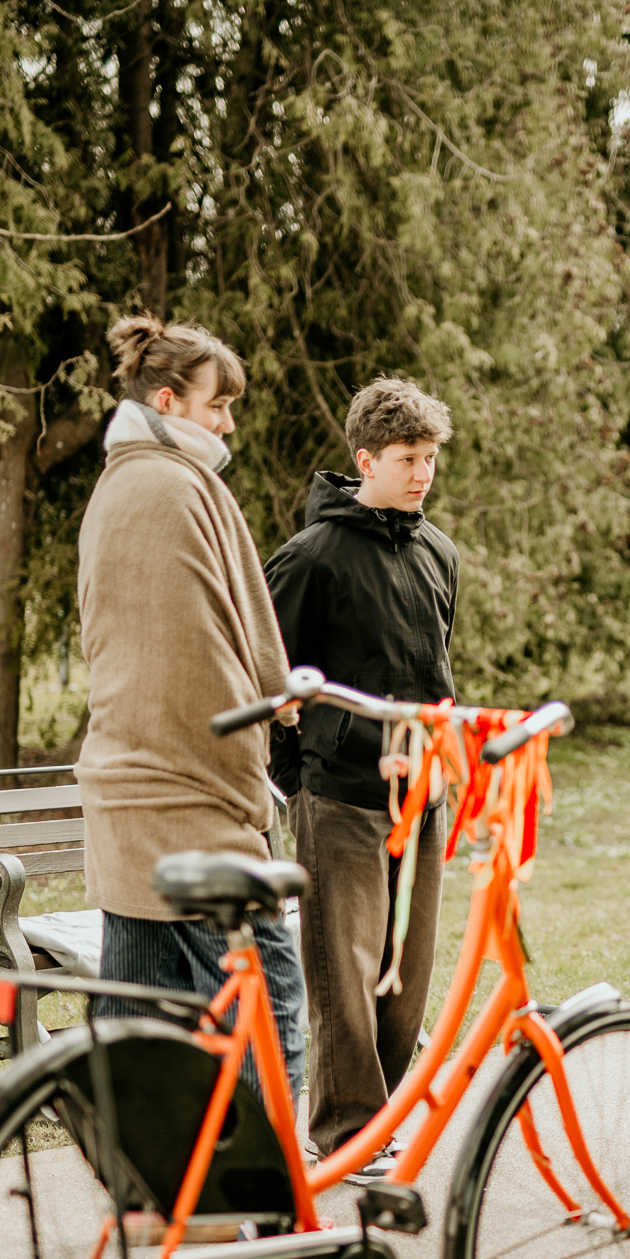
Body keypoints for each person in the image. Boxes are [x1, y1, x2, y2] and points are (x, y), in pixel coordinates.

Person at [76, 313, 306, 1095]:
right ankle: (270, 1199)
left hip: (121, 800)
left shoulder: (113, 488)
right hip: (192, 801)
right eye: (218, 406)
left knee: (141, 1033)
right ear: (170, 401)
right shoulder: (183, 486)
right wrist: (259, 749)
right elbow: (210, 660)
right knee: (267, 1011)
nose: (228, 424)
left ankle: (157, 1200)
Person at [265, 378, 459, 1170]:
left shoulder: (440, 551)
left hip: (424, 790)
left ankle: (381, 1118)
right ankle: (350, 1130)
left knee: (404, 976)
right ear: (365, 459)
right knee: (343, 972)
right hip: (339, 794)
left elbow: (441, 666)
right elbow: (270, 678)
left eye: (432, 458)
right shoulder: (311, 558)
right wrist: (300, 780)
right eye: (409, 459)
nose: (423, 474)